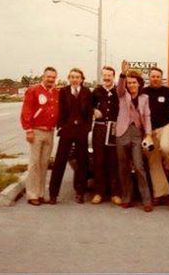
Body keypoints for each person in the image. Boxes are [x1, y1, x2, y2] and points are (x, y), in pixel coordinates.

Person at [49, 68, 93, 204]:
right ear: (69, 78)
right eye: (72, 77)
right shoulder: (63, 91)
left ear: (81, 79)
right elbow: (60, 110)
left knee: (82, 162)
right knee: (60, 162)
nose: (75, 79)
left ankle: (80, 193)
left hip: (81, 131)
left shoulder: (87, 92)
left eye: (77, 77)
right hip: (67, 131)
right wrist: (61, 126)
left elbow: (89, 113)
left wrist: (87, 128)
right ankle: (53, 194)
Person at [116, 60, 154, 212]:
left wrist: (149, 134)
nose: (131, 85)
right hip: (122, 133)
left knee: (139, 166)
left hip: (137, 134)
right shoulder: (122, 95)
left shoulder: (144, 98)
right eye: (129, 82)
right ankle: (126, 197)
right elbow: (119, 88)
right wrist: (123, 74)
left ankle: (146, 200)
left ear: (139, 83)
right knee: (123, 167)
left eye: (134, 82)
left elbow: (147, 117)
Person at [20, 66, 60, 206]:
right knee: (34, 164)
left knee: (44, 164)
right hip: (36, 131)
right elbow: (27, 110)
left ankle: (41, 194)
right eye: (48, 77)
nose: (51, 79)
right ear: (43, 77)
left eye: (53, 77)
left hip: (50, 132)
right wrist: (28, 129)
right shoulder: (33, 90)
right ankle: (32, 195)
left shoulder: (56, 92)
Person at [142, 67, 169, 205]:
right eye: (153, 76)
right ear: (149, 77)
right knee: (153, 161)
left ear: (161, 77)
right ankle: (160, 193)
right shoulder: (143, 92)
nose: (155, 78)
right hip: (149, 131)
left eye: (158, 76)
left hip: (166, 126)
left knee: (165, 147)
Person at [90, 66, 121, 206]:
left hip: (114, 129)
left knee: (113, 161)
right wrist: (93, 110)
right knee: (99, 161)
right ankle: (98, 193)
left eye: (109, 75)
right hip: (100, 129)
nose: (107, 78)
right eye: (105, 75)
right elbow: (86, 106)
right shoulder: (96, 91)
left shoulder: (118, 91)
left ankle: (115, 193)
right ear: (102, 76)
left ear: (113, 76)